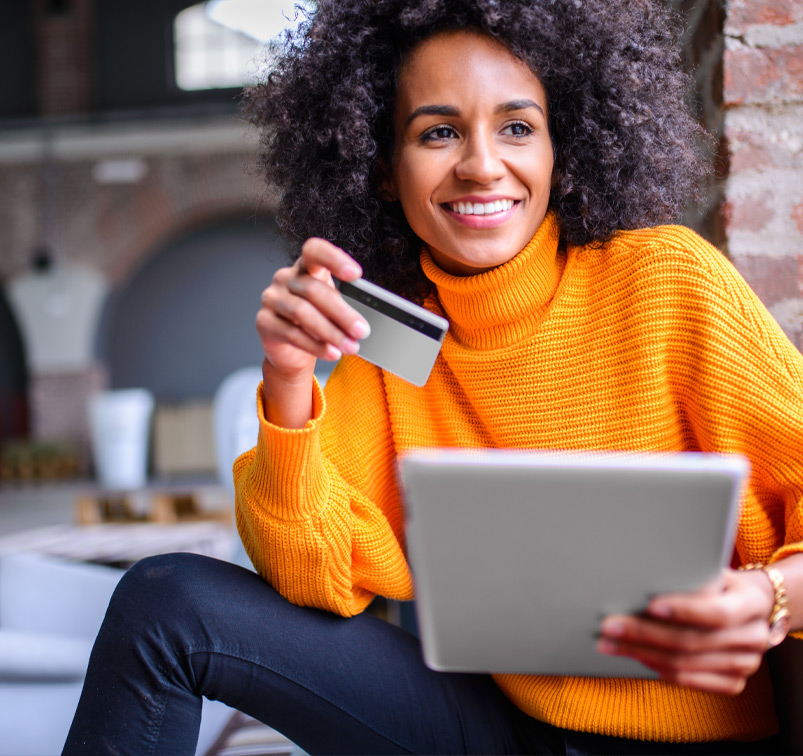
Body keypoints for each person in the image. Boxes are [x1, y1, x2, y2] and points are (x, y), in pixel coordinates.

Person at [64, 1, 803, 754]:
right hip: (499, 729)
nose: (482, 164)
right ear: (383, 168)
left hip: (696, 744)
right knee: (166, 602)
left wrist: (770, 597)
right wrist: (287, 378)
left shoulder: (664, 283)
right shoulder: (397, 335)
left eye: (517, 127)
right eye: (438, 131)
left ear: (561, 148)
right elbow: (309, 576)